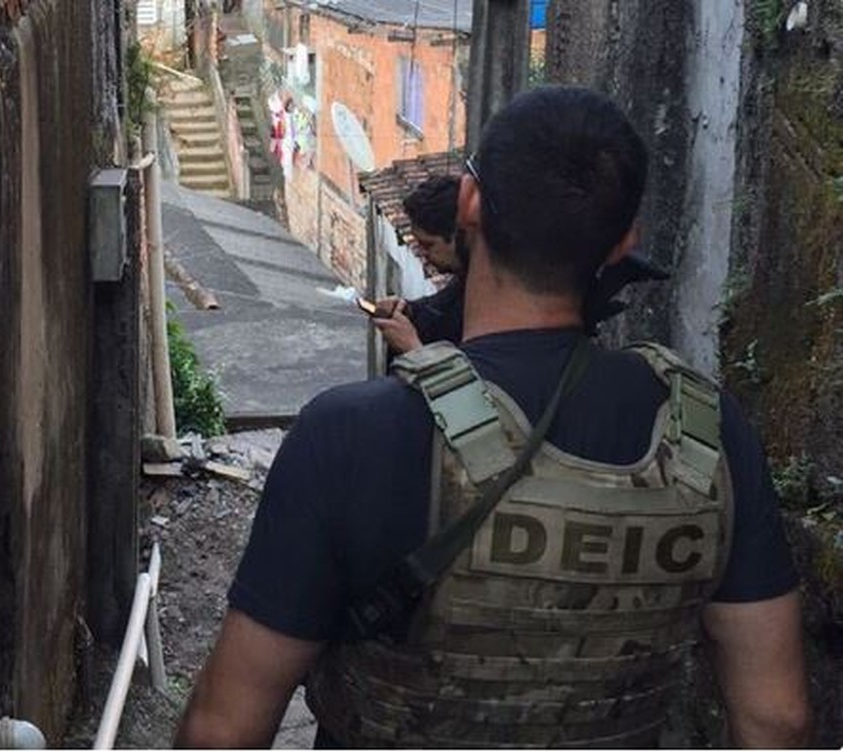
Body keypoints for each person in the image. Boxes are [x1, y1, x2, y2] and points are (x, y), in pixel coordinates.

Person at [174, 87, 810, 748]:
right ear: (623, 244)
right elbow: (777, 719)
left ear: (469, 204)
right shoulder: (708, 434)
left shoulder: (348, 435)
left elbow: (227, 728)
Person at [375, 176, 467, 356]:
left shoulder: (493, 293)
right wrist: (408, 310)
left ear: (459, 236)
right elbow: (443, 306)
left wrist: (414, 349)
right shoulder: (464, 279)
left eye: (429, 245)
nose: (423, 254)